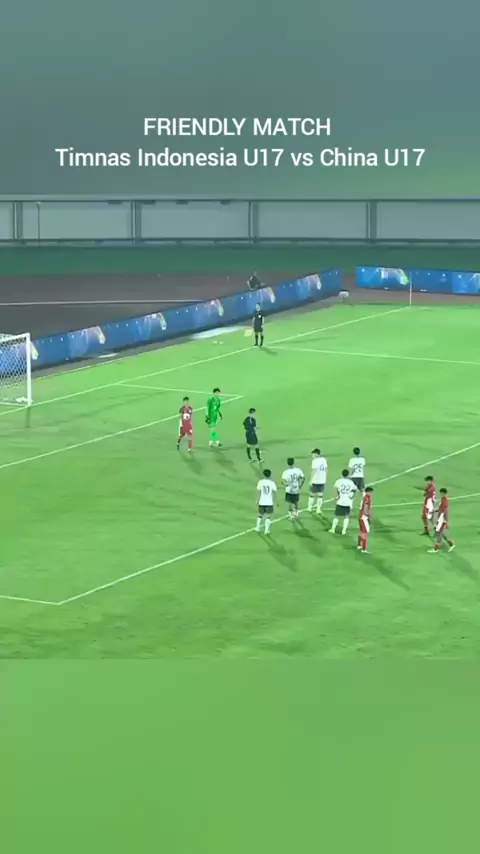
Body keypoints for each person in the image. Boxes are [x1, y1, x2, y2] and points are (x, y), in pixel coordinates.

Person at [329, 469, 357, 535]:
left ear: (341, 474)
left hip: (340, 501)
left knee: (336, 516)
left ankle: (333, 529)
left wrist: (336, 497)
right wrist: (352, 496)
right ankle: (343, 531)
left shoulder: (338, 481)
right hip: (348, 502)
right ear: (348, 475)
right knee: (347, 516)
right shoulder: (350, 482)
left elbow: (335, 490)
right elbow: (355, 489)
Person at [428, 488, 455, 553]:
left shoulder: (445, 500)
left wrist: (446, 521)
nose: (440, 494)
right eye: (440, 493)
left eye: (441, 493)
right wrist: (435, 511)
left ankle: (436, 548)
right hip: (440, 518)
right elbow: (441, 508)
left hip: (442, 519)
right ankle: (451, 544)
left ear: (444, 493)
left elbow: (445, 511)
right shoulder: (442, 499)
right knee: (441, 533)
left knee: (438, 533)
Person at [256, 469, 277, 535]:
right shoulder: (272, 483)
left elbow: (259, 492)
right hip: (269, 502)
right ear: (270, 475)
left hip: (262, 501)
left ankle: (257, 528)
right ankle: (266, 530)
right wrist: (276, 501)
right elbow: (274, 492)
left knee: (260, 515)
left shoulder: (260, 482)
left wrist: (257, 500)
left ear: (263, 474)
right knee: (268, 516)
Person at [307, 448, 328, 514]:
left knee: (312, 494)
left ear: (317, 454)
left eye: (313, 454)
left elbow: (314, 471)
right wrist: (325, 477)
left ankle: (309, 507)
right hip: (322, 480)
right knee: (320, 495)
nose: (312, 455)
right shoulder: (324, 459)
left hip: (315, 480)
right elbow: (326, 469)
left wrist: (311, 480)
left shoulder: (314, 461)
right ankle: (318, 509)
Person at [357, 486, 374, 553]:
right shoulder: (367, 498)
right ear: (368, 492)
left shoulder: (364, 497)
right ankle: (364, 549)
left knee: (361, 532)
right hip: (364, 517)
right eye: (370, 492)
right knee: (365, 533)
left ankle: (359, 545)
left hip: (361, 516)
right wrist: (369, 516)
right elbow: (366, 508)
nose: (371, 494)